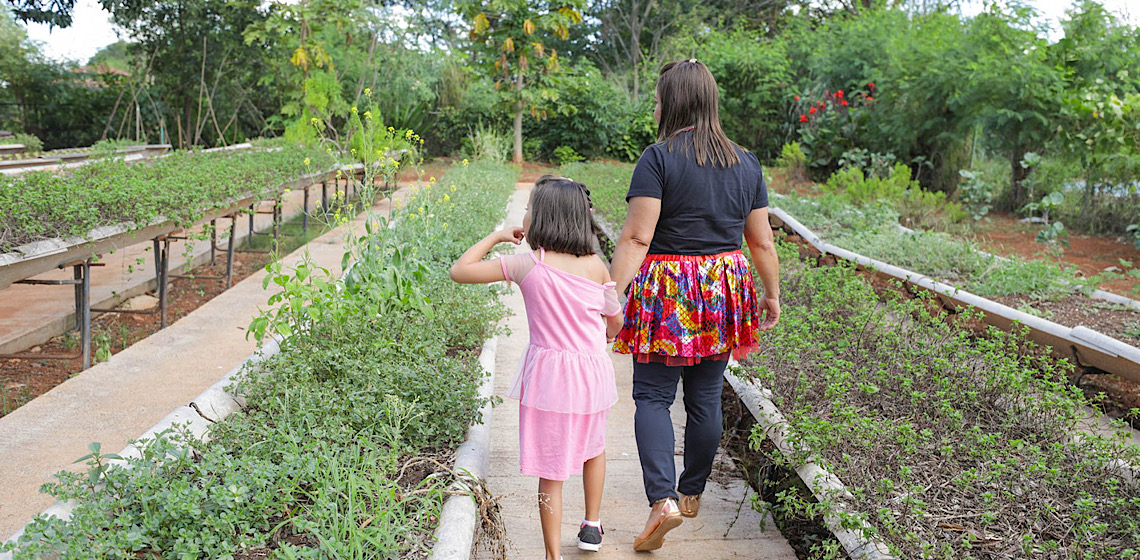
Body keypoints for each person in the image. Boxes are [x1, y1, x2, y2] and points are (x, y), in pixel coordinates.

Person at [609, 59, 782, 552]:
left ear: (675, 101)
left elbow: (639, 235)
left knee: (653, 397)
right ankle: (690, 492)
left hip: (669, 287)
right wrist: (771, 294)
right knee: (705, 397)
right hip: (724, 287)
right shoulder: (745, 162)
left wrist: (610, 295)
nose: (656, 105)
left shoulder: (658, 157)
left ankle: (660, 500)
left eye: (660, 97)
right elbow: (762, 243)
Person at [450, 175, 624, 560]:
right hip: (592, 373)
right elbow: (615, 322)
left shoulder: (526, 265)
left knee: (552, 466)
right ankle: (592, 526)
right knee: (594, 447)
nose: (525, 215)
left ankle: (552, 555)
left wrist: (497, 237)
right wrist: (601, 339)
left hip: (551, 379)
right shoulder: (597, 265)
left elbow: (460, 270)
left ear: (541, 219)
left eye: (529, 209)